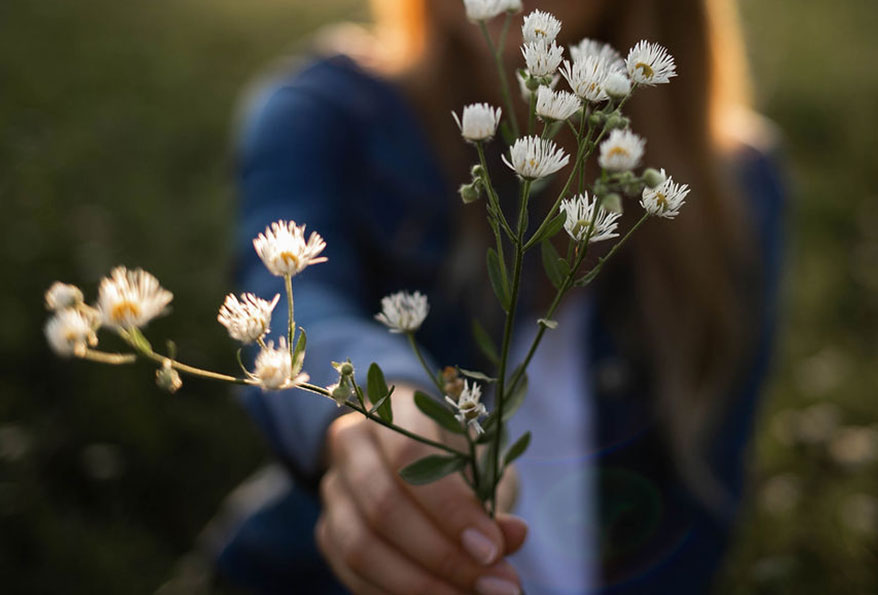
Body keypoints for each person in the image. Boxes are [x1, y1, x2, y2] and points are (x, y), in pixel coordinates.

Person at [216, 0, 785, 593]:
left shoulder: (736, 188)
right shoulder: (325, 115)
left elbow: (708, 496)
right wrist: (384, 410)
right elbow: (291, 304)